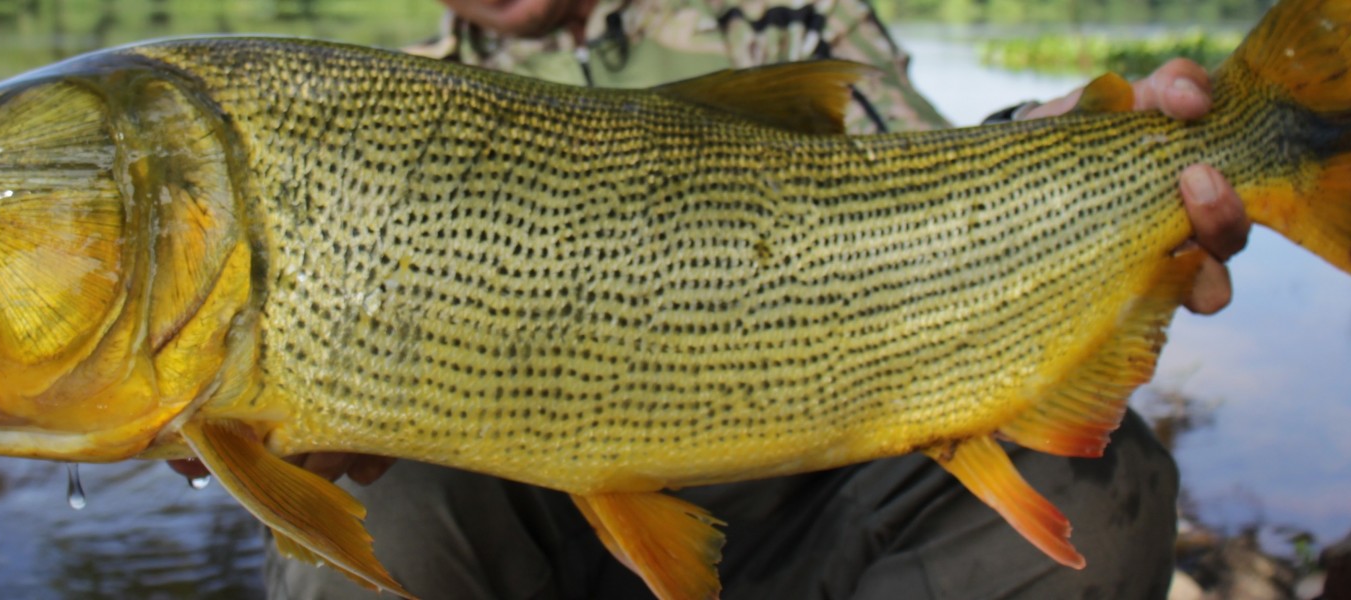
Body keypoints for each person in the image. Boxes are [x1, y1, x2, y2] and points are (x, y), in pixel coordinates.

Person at [248, 2, 1252, 597]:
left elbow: (918, 187)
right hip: (533, 540)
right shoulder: (367, 110)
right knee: (356, 510)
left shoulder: (775, 15)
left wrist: (1050, 149)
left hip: (807, 497)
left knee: (1110, 484)